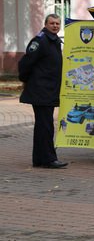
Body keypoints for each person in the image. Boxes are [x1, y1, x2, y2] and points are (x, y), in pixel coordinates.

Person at [18, 13, 67, 168]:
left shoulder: (54, 41)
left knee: (42, 125)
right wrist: (27, 81)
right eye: (52, 23)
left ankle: (39, 159)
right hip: (41, 91)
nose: (55, 26)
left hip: (48, 90)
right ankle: (49, 159)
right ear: (46, 24)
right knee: (46, 125)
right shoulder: (40, 41)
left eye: (57, 24)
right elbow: (25, 63)